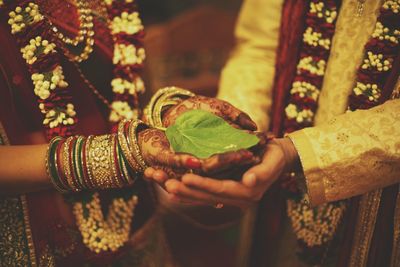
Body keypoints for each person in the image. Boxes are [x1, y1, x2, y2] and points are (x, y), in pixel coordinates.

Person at [0, 0, 261, 266]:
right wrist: (124, 153)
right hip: (45, 234)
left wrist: (169, 114)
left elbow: (132, 95)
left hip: (135, 216)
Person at [146, 0, 400, 266]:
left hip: (381, 207)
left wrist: (296, 151)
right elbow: (259, 49)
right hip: (273, 183)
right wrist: (228, 140)